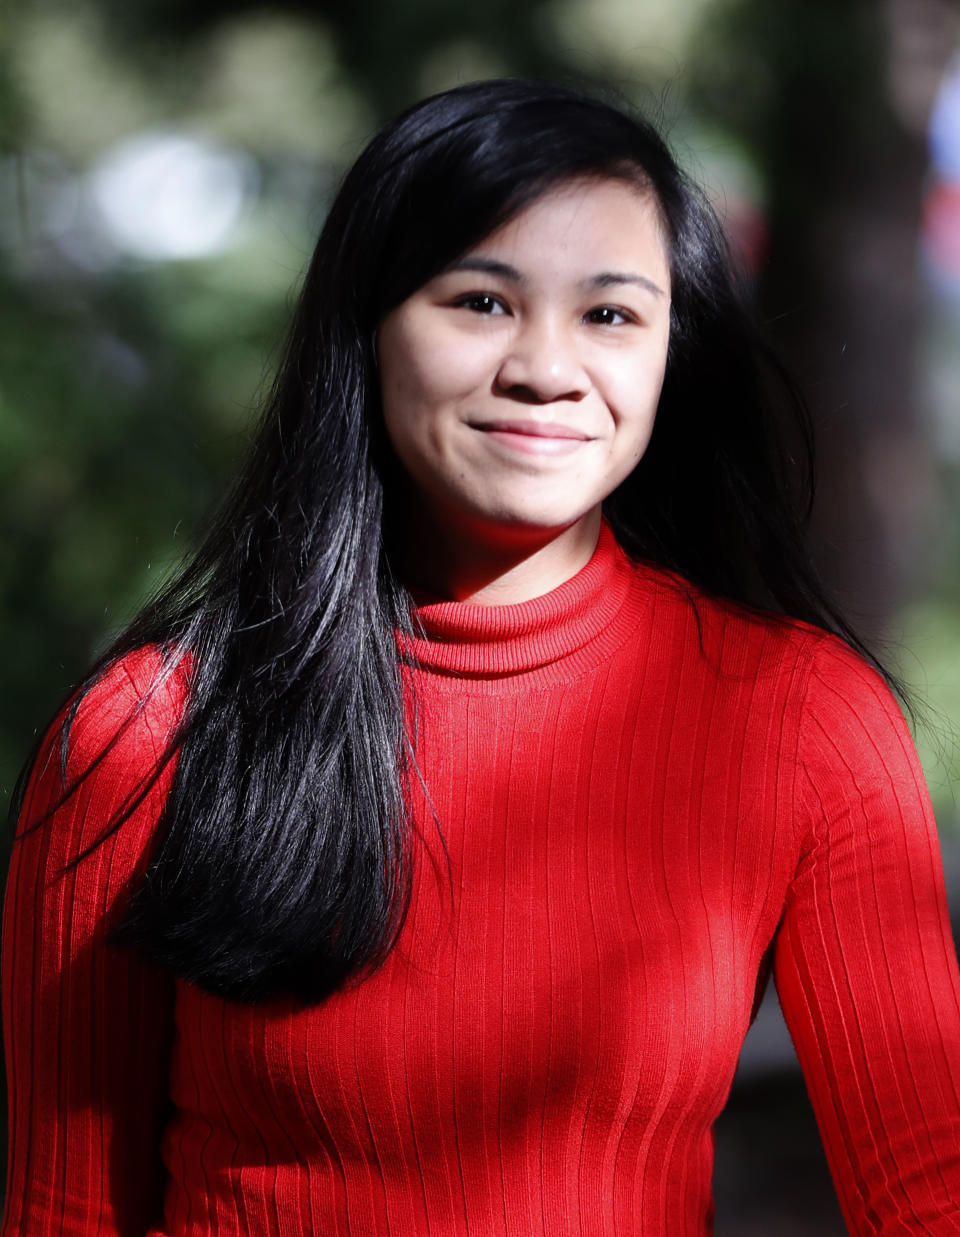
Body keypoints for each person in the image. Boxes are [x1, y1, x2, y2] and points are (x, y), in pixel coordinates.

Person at [3, 77, 960, 1237]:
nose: (548, 369)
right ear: (367, 326)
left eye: (611, 315)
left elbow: (927, 1190)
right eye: (480, 302)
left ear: (673, 352)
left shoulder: (805, 722)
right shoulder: (143, 737)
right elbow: (62, 1211)